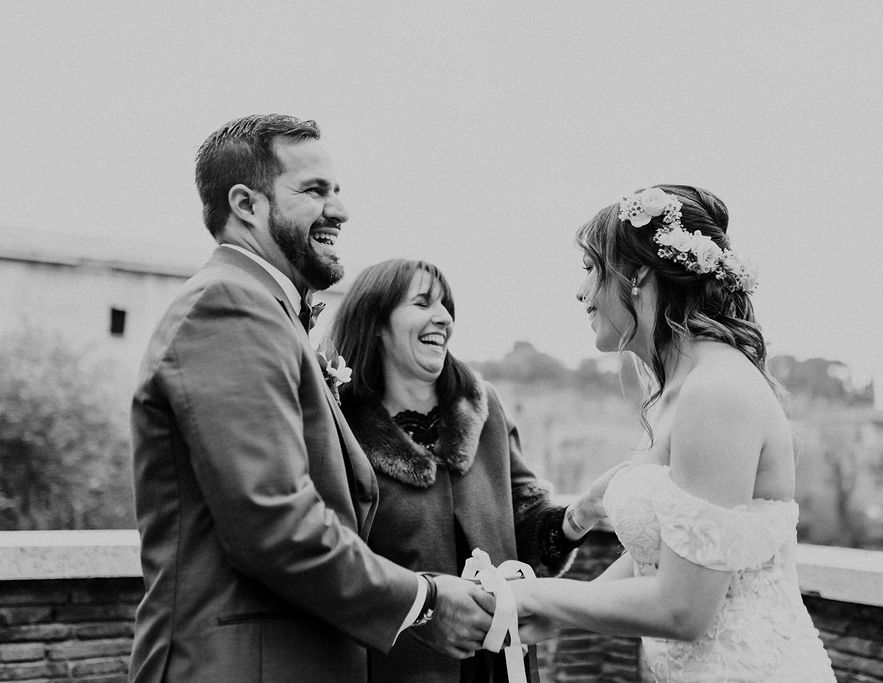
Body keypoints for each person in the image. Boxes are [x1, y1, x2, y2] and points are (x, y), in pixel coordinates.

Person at [129, 114, 495, 682]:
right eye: (314, 191)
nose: (341, 211)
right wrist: (422, 601)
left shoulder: (267, 311)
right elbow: (273, 522)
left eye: (338, 191)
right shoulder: (228, 306)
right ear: (247, 205)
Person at [510, 185, 836, 682]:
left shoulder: (716, 392)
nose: (581, 292)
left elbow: (684, 607)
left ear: (637, 276)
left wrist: (533, 594)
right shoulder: (675, 393)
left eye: (591, 268)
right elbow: (657, 559)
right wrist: (560, 609)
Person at [321, 258, 615, 682]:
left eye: (446, 305)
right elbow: (334, 558)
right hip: (393, 664)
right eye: (422, 303)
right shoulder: (338, 421)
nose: (442, 317)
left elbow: (525, 523)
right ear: (376, 323)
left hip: (498, 660)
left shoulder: (484, 405)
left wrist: (578, 515)